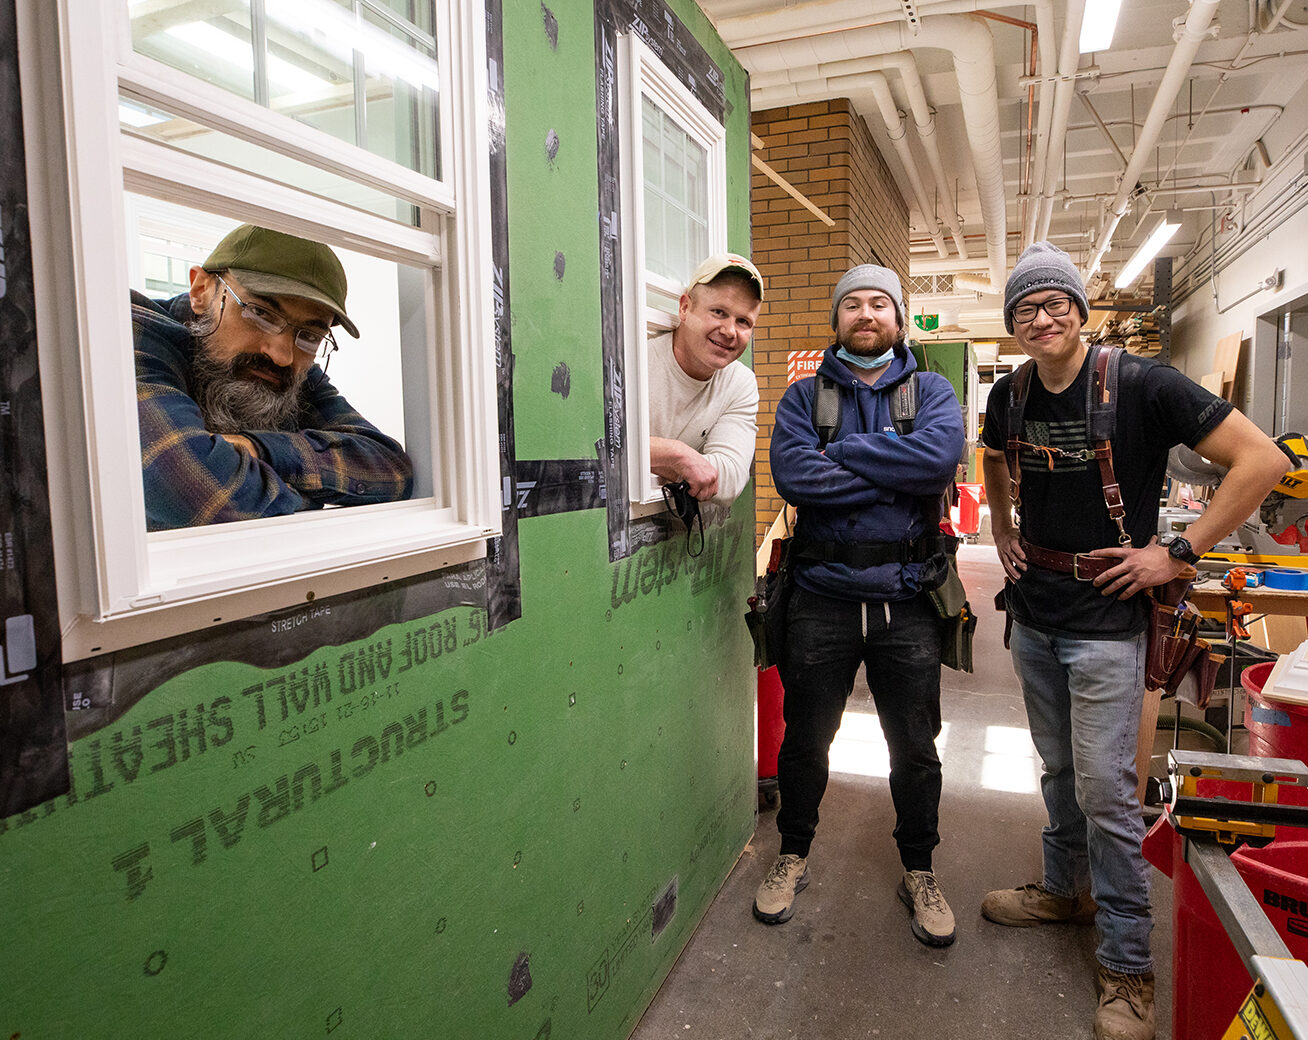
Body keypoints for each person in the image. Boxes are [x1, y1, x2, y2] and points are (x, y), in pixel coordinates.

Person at [979, 242, 1290, 1040]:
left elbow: (1262, 460)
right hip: (1037, 615)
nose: (1040, 317)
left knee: (1109, 793)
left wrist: (1177, 552)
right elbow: (994, 462)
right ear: (1012, 325)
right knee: (1056, 770)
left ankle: (1126, 965)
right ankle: (1065, 891)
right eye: (1024, 308)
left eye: (1055, 303)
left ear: (1080, 311)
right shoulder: (1010, 395)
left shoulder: (1142, 384)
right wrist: (1003, 525)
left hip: (1110, 627)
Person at [756, 263, 965, 947]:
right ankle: (793, 852)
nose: (866, 314)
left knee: (914, 746)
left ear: (900, 319)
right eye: (853, 304)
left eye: (880, 303)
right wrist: (889, 467)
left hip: (908, 599)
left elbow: (935, 464)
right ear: (836, 320)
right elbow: (794, 476)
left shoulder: (931, 390)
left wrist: (841, 454)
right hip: (821, 598)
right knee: (806, 739)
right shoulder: (801, 398)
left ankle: (920, 868)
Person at [133, 224, 413, 530]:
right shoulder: (136, 331)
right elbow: (189, 488)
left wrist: (259, 449)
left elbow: (391, 469)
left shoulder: (290, 370)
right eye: (261, 314)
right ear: (201, 291)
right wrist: (307, 500)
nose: (282, 355)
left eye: (310, 335)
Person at [648, 253, 762, 509]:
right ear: (685, 308)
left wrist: (650, 454)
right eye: (719, 312)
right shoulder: (636, 361)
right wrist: (677, 455)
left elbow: (731, 478)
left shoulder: (740, 383)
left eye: (743, 321)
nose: (730, 331)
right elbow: (597, 446)